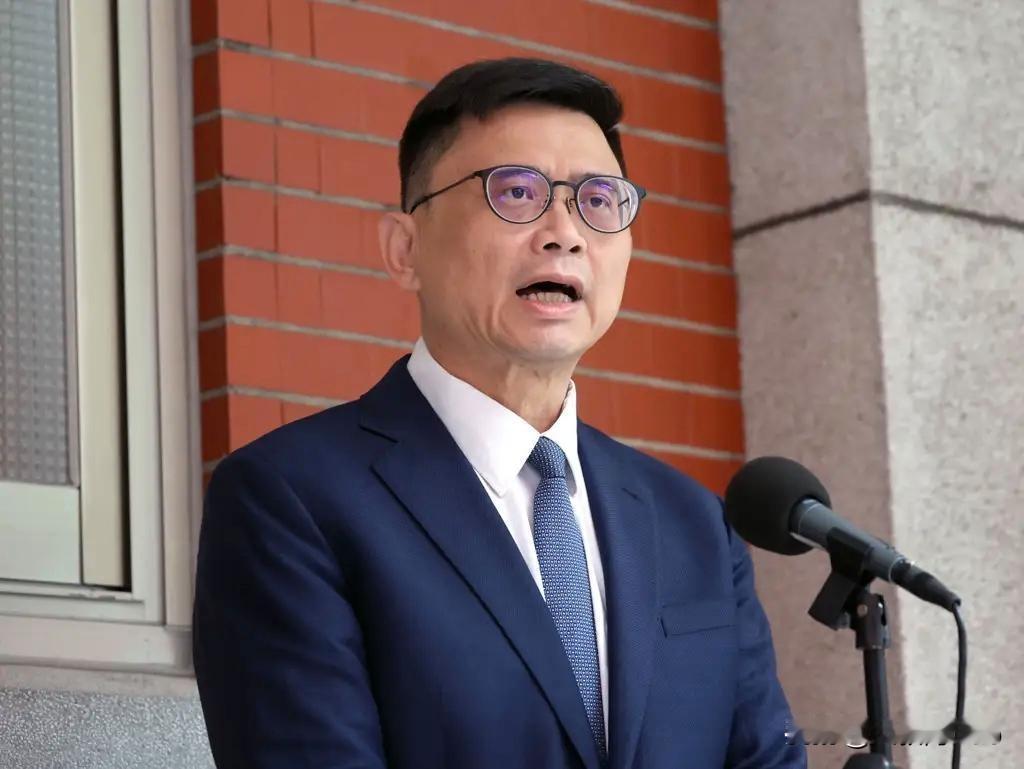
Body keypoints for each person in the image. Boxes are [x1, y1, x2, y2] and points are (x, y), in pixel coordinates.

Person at [193, 57, 805, 769]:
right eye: (517, 192)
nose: (565, 233)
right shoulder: (291, 500)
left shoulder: (694, 523)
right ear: (404, 250)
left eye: (598, 200)